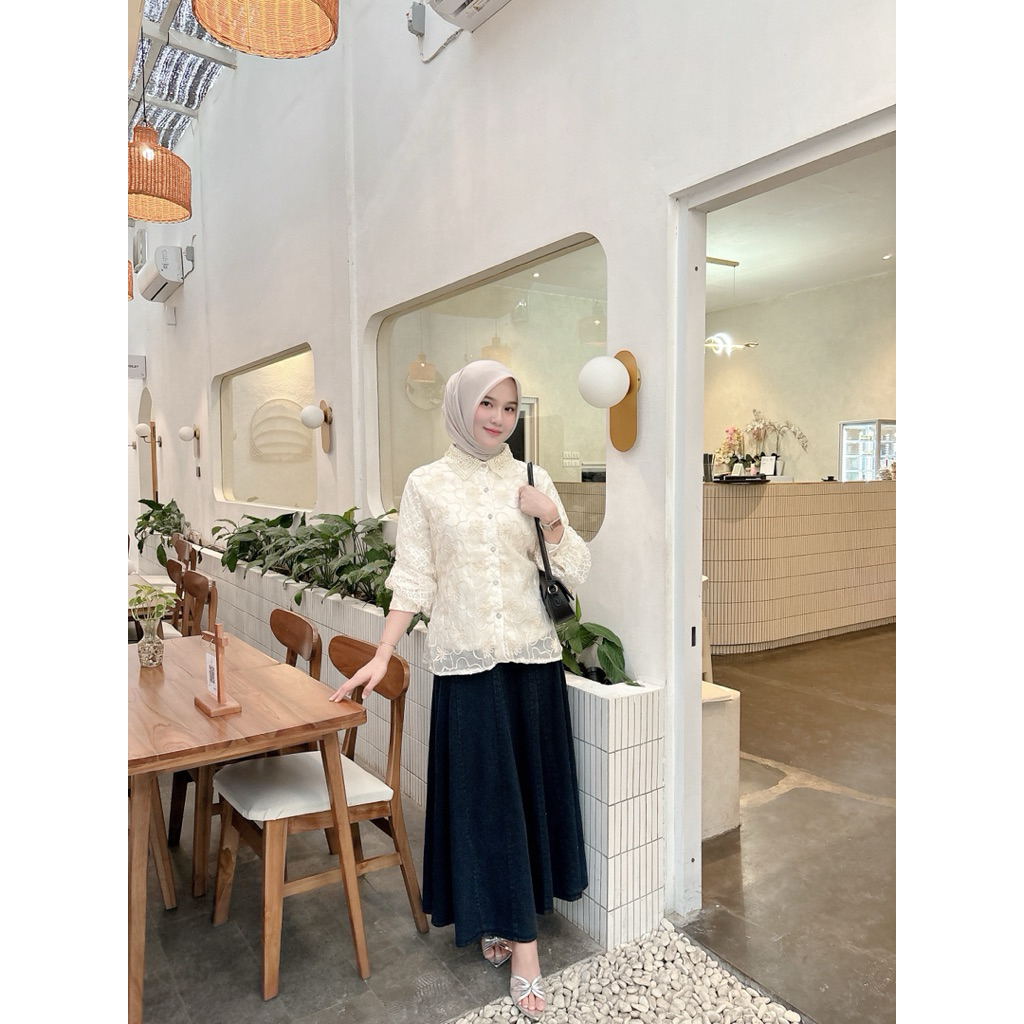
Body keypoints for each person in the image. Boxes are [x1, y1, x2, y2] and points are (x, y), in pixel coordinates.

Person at [330, 360, 591, 1020]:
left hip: (530, 663)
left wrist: (552, 521)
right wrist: (381, 653)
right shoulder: (427, 485)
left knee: (521, 800)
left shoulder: (531, 479)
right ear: (459, 407)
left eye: (510, 407)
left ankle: (522, 942)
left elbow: (575, 570)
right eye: (487, 404)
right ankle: (508, 926)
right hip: (467, 668)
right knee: (487, 805)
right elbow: (413, 578)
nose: (499, 418)